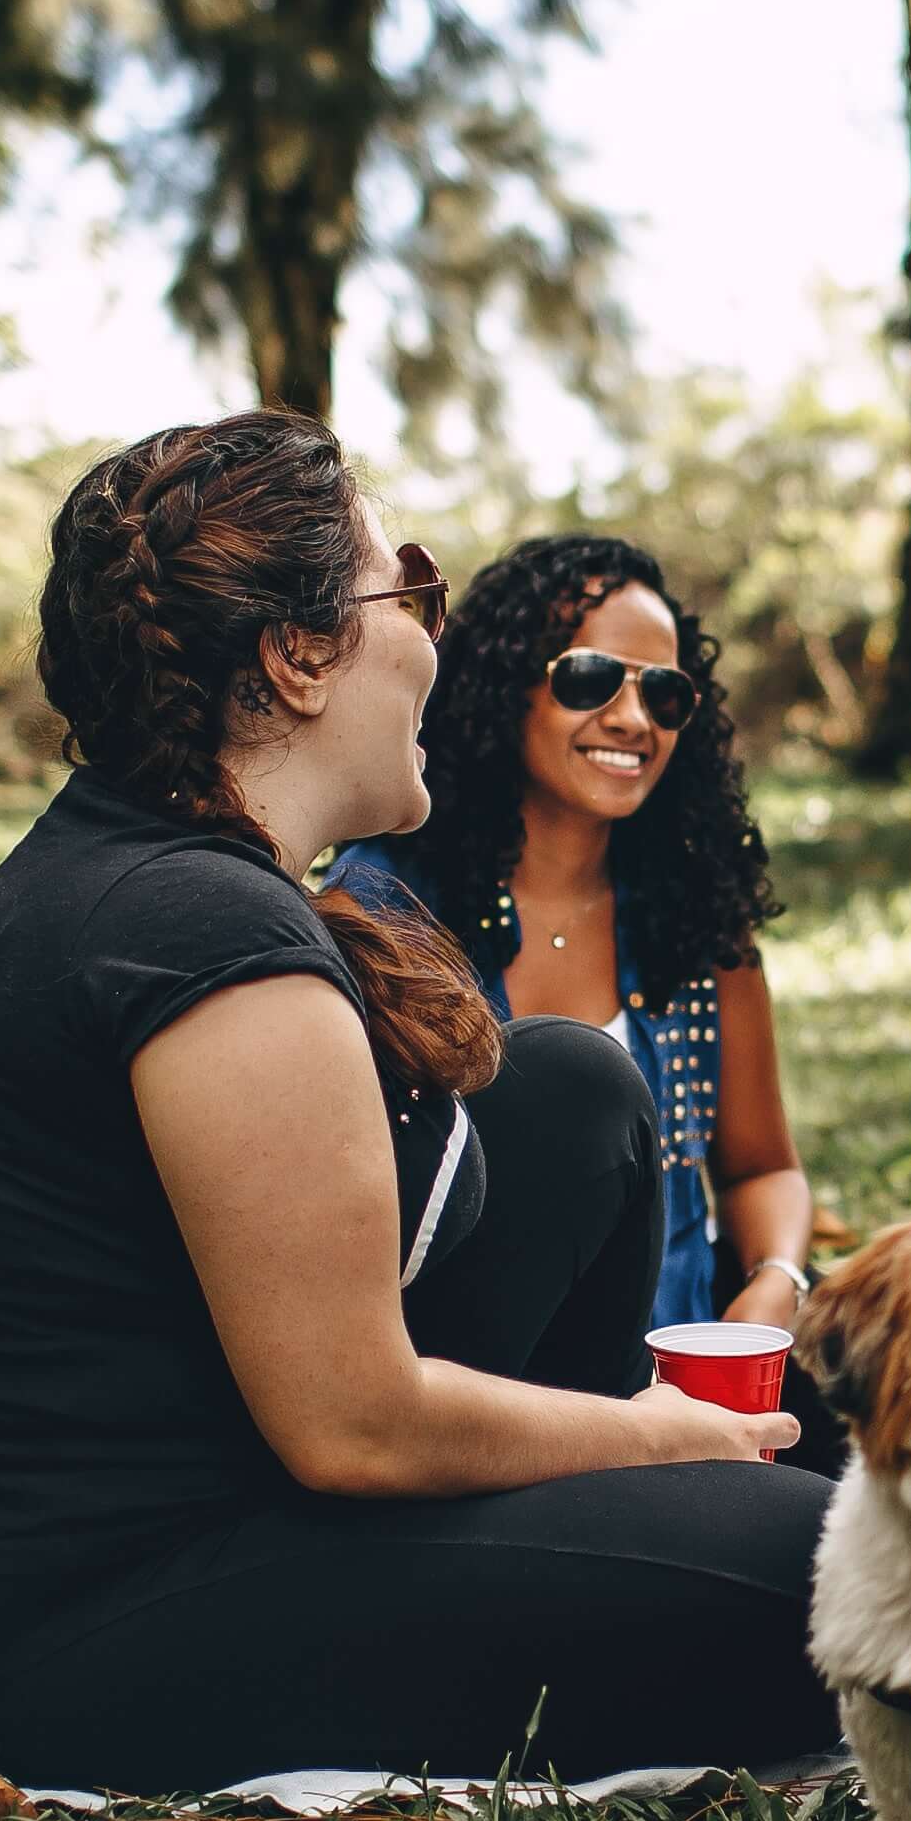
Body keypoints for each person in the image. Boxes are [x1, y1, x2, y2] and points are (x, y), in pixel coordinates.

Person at [0, 415, 837, 1793]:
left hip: (196, 1477)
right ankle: (657, 1519)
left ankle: (631, 1521)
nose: (431, 637)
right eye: (406, 588)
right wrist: (662, 1431)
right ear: (296, 657)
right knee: (834, 1578)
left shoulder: (163, 871)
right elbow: (355, 1425)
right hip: (46, 1630)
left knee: (571, 1088)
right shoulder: (201, 936)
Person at [322, 534, 814, 1344]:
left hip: (686, 1373)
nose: (630, 718)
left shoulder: (695, 911)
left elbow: (763, 1167)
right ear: (502, 687)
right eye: (589, 678)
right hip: (481, 1386)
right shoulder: (384, 907)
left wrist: (774, 1283)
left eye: (664, 694)